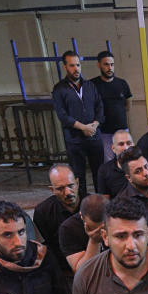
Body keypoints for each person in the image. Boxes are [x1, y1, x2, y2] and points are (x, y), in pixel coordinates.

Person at [52, 51, 104, 196]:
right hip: (74, 139)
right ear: (65, 67)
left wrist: (95, 124)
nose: (76, 69)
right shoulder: (59, 89)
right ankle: (81, 204)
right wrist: (83, 127)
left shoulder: (90, 86)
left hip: (94, 136)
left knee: (99, 172)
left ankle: (102, 202)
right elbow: (62, 116)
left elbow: (99, 106)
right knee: (78, 175)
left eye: (78, 65)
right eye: (72, 65)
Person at [35, 163, 85, 276]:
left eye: (71, 186)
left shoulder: (93, 205)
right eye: (60, 189)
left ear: (77, 183)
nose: (67, 192)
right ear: (52, 190)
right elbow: (47, 248)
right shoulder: (43, 212)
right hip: (62, 271)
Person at [90, 50, 132, 158]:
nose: (110, 68)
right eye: (106, 64)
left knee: (126, 159)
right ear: (99, 65)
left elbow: (128, 104)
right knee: (108, 161)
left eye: (112, 64)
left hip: (122, 129)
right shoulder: (92, 85)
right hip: (104, 132)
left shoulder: (122, 83)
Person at [95, 130, 148, 198]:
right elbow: (105, 201)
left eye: (129, 143)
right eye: (121, 144)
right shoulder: (104, 170)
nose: (126, 148)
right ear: (113, 148)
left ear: (133, 145)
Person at [59, 193, 107, 272]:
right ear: (82, 216)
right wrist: (94, 241)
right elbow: (82, 271)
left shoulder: (119, 219)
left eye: (104, 227)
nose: (100, 232)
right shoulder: (68, 228)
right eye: (93, 228)